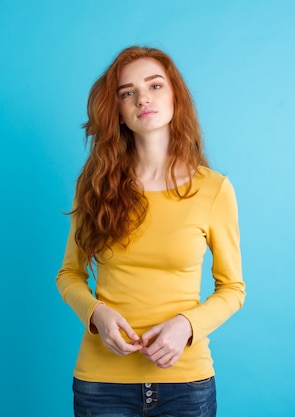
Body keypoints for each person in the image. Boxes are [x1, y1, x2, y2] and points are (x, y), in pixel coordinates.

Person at [55, 45, 246, 417]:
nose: (143, 98)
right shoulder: (94, 186)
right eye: (128, 93)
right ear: (120, 113)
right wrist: (96, 314)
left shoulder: (214, 189)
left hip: (186, 386)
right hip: (101, 386)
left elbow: (233, 289)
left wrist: (187, 326)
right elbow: (69, 275)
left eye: (155, 85)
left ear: (175, 95)